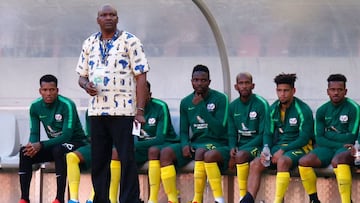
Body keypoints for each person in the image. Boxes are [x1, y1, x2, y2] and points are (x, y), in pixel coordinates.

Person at [75, 4, 149, 203]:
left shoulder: (131, 41)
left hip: (124, 110)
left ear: (117, 19)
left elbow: (141, 76)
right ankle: (101, 199)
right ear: (98, 19)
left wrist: (140, 110)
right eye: (104, 15)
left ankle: (129, 200)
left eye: (112, 15)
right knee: (99, 160)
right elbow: (81, 76)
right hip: (97, 112)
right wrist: (86, 85)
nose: (108, 18)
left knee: (126, 158)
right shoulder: (89, 43)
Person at [159, 64, 229, 203]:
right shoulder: (185, 102)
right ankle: (173, 199)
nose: (199, 83)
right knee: (166, 153)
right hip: (195, 144)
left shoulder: (221, 99)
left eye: (203, 80)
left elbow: (220, 130)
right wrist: (185, 144)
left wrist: (202, 107)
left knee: (200, 152)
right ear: (191, 81)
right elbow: (184, 130)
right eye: (196, 80)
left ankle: (198, 199)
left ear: (209, 82)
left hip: (216, 143)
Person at [240, 73, 314, 203]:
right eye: (279, 91)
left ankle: (278, 201)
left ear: (293, 91)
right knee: (256, 163)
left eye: (286, 90)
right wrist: (266, 149)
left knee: (282, 161)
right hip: (278, 147)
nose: (282, 94)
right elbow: (267, 133)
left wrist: (283, 150)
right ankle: (248, 200)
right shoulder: (273, 109)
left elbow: (304, 138)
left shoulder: (303, 109)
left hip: (300, 147)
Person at [18, 74, 87, 203]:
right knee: (24, 152)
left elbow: (66, 136)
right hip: (55, 145)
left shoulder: (67, 104)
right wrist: (32, 146)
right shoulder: (35, 106)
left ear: (57, 90)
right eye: (45, 90)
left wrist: (41, 145)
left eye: (52, 90)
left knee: (59, 150)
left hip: (77, 143)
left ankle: (59, 198)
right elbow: (34, 133)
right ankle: (24, 198)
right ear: (40, 91)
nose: (48, 93)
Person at [298, 74, 360, 203]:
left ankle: (346, 201)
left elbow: (351, 136)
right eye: (333, 90)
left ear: (345, 91)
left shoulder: (354, 108)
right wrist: (339, 139)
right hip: (330, 147)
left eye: (339, 90)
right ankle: (314, 199)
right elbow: (319, 139)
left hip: (347, 149)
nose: (336, 93)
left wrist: (328, 133)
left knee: (339, 160)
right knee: (304, 162)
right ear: (328, 91)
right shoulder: (322, 110)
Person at [132, 81, 179, 203]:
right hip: (142, 147)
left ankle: (153, 199)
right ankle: (118, 198)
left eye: (142, 93)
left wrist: (134, 145)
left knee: (153, 151)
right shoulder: (130, 109)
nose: (139, 97)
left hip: (166, 144)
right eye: (136, 93)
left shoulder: (160, 106)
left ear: (149, 94)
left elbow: (160, 139)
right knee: (117, 154)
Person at [227, 72, 269, 201]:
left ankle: (242, 197)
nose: (244, 86)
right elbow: (232, 132)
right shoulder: (233, 106)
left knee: (240, 155)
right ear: (236, 86)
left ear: (253, 85)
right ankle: (243, 197)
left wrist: (240, 150)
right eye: (241, 83)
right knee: (236, 155)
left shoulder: (261, 104)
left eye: (247, 83)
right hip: (242, 147)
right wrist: (233, 147)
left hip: (258, 145)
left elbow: (263, 134)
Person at [66, 111, 121, 203]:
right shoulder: (92, 109)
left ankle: (93, 198)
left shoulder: (120, 109)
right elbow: (90, 135)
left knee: (111, 155)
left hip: (115, 145)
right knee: (71, 157)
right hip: (96, 144)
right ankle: (74, 199)